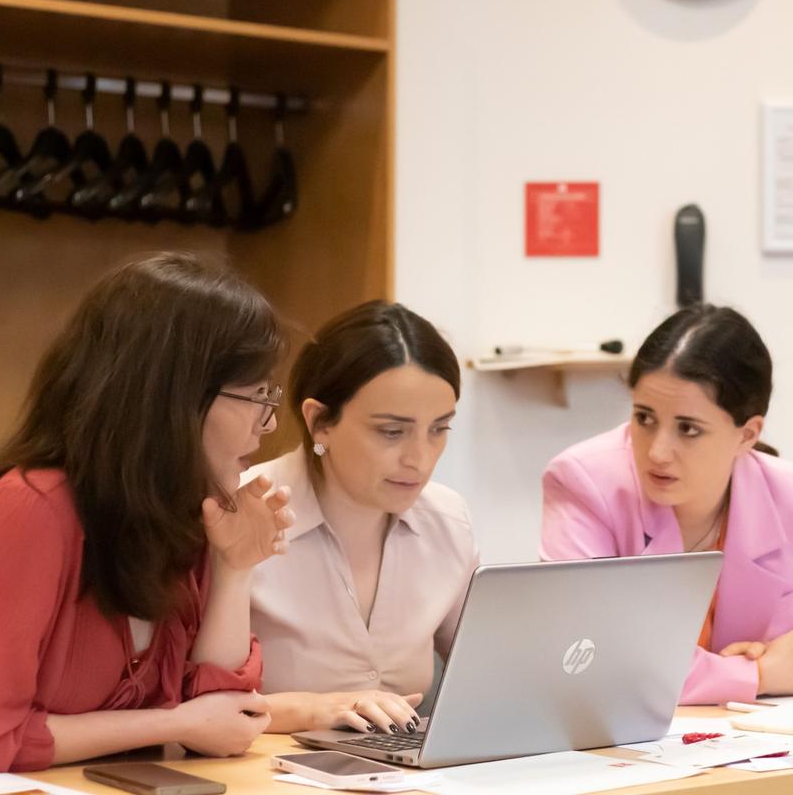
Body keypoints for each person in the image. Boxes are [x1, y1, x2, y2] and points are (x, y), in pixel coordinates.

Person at [0, 252, 294, 772]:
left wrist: (233, 568)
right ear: (170, 398)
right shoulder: (33, 509)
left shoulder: (185, 508)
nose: (266, 425)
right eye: (255, 395)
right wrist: (172, 724)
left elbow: (226, 720)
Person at [243, 300, 479, 734]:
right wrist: (313, 710)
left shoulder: (447, 520)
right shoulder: (242, 511)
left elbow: (486, 673)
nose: (420, 460)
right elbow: (191, 703)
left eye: (439, 429)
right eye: (392, 432)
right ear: (320, 423)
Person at [540, 304, 793, 705]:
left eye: (688, 429)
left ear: (747, 435)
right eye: (644, 418)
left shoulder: (786, 496)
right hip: (617, 746)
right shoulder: (583, 482)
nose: (657, 451)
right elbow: (593, 658)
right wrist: (761, 672)